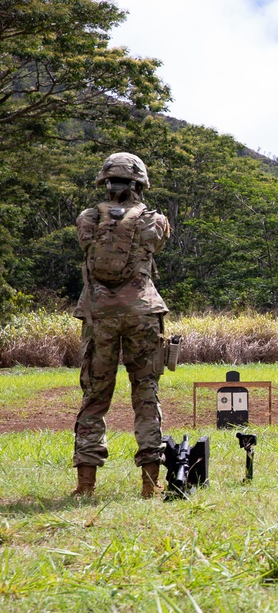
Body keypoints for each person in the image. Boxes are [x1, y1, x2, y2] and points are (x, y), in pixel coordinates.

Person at [71, 152, 171, 498]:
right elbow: (156, 245)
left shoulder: (87, 218)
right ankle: (150, 483)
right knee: (146, 394)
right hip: (142, 313)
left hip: (99, 314)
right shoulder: (153, 220)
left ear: (104, 181)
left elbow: (86, 246)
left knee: (95, 396)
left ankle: (86, 485)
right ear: (140, 183)